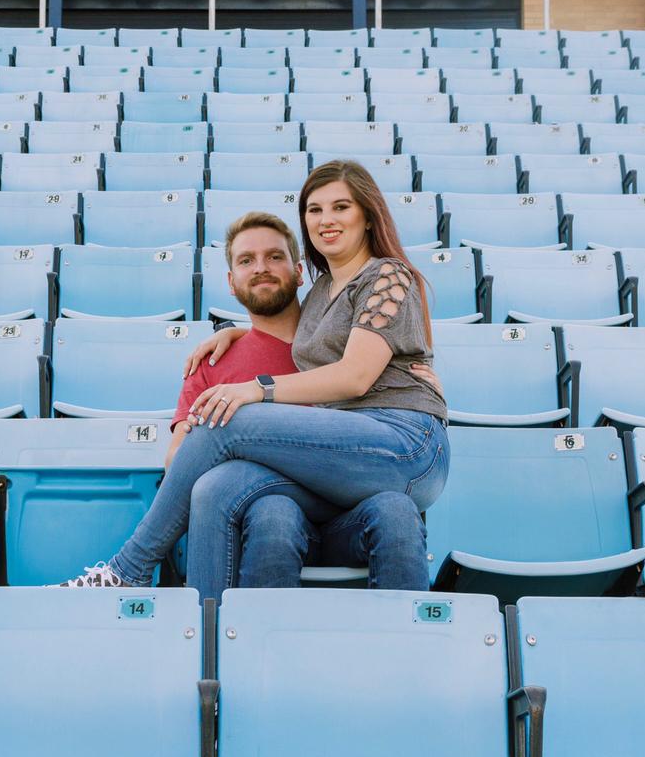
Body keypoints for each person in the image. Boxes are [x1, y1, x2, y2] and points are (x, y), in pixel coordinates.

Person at [60, 160, 448, 589]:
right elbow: (294, 333)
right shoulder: (321, 291)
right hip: (350, 457)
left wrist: (255, 388)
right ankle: (210, 631)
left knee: (227, 416)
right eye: (314, 210)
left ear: (368, 215)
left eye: (341, 207)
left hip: (403, 444)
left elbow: (355, 376)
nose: (326, 220)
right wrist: (237, 333)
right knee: (218, 486)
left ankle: (128, 568)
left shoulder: (386, 273)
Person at [168, 210, 428, 596]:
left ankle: (409, 646)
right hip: (264, 520)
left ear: (300, 272)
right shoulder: (210, 363)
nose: (261, 268)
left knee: (396, 509)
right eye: (246, 260)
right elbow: (178, 464)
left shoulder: (347, 344)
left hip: (351, 517)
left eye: (275, 257)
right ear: (230, 281)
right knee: (275, 513)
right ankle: (245, 642)